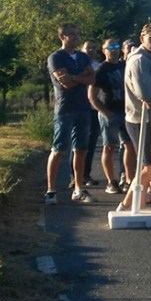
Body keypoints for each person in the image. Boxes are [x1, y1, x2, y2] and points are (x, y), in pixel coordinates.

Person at [119, 22, 151, 212]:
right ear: (142, 39)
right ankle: (125, 204)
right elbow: (144, 93)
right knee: (149, 166)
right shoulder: (138, 60)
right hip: (140, 119)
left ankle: (143, 204)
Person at [45, 24, 96, 205]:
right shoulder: (55, 57)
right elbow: (65, 83)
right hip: (65, 109)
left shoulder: (82, 56)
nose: (76, 37)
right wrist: (81, 76)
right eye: (72, 34)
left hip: (83, 107)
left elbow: (92, 79)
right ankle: (51, 190)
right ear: (62, 37)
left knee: (81, 149)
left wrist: (74, 76)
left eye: (77, 34)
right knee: (58, 148)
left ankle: (78, 188)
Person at [88, 38, 135, 195]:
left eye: (116, 46)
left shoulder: (124, 66)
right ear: (104, 51)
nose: (113, 50)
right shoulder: (101, 70)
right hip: (109, 112)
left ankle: (128, 180)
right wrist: (105, 112)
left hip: (126, 112)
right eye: (110, 47)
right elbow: (92, 96)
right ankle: (111, 181)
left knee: (129, 145)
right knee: (109, 147)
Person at [80, 39, 102, 188]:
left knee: (91, 143)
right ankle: (75, 176)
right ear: (82, 49)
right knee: (79, 144)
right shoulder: (77, 64)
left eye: (93, 48)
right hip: (80, 107)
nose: (90, 50)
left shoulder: (98, 66)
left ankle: (86, 174)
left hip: (94, 109)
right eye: (88, 47)